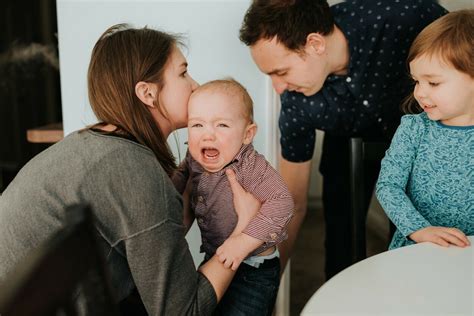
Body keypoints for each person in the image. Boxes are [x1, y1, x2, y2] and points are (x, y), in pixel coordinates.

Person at [0, 24, 261, 315]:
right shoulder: (132, 169)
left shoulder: (92, 144)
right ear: (147, 93)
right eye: (183, 73)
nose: (195, 85)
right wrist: (243, 232)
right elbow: (184, 311)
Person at [239, 0, 447, 278]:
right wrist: (265, 287)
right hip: (345, 141)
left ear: (315, 44)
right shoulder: (296, 103)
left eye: (281, 72)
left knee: (413, 240)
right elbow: (293, 203)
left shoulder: (401, 16)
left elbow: (462, 53)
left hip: (421, 140)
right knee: (341, 240)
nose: (278, 88)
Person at [172, 79, 294, 316]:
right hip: (215, 257)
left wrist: (241, 243)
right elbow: (180, 176)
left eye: (222, 126)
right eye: (197, 125)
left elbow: (282, 202)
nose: (208, 135)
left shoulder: (250, 167)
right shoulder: (194, 157)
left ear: (247, 134)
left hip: (253, 270)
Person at [376, 10, 473, 250]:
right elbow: (388, 186)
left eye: (433, 82)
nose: (419, 92)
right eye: (416, 81)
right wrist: (419, 229)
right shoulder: (414, 129)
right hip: (419, 249)